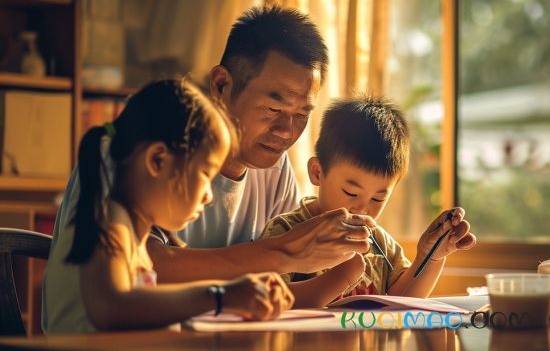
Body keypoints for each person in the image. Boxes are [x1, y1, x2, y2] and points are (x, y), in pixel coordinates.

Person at [44, 80, 294, 333]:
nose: (209, 196)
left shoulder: (134, 235)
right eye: (206, 175)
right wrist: (221, 296)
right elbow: (111, 309)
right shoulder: (109, 223)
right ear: (158, 160)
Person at [258, 97, 477, 307]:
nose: (363, 208)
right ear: (317, 172)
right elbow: (269, 300)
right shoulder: (288, 232)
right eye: (351, 192)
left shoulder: (380, 243)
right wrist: (342, 277)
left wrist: (431, 257)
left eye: (378, 198)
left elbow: (403, 300)